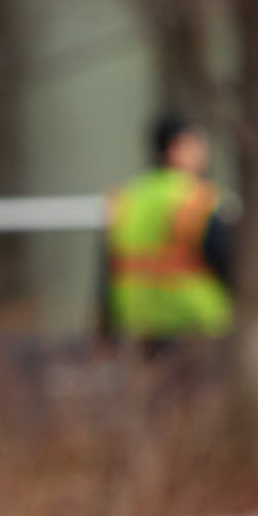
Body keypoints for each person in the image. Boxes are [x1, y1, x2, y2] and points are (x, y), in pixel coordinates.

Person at [98, 111, 235, 349]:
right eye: (195, 143)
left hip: (138, 326)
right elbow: (224, 259)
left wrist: (106, 328)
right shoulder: (196, 198)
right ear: (175, 149)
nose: (203, 151)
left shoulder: (128, 197)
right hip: (193, 322)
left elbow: (108, 266)